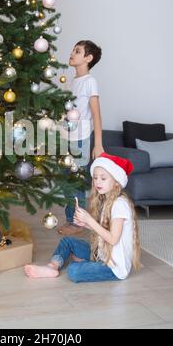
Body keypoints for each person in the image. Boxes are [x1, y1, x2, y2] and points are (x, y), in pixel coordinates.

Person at [24, 153, 141, 283]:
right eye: (95, 178)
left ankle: (86, 262)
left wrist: (89, 220)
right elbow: (102, 230)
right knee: (67, 241)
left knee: (73, 271)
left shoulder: (120, 204)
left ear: (116, 183)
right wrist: (85, 224)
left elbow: (113, 239)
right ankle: (52, 267)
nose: (97, 182)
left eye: (103, 178)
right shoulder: (105, 199)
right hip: (101, 254)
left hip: (114, 266)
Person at [59, 40, 104, 236]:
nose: (72, 53)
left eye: (77, 51)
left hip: (80, 138)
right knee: (65, 179)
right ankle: (72, 218)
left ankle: (77, 222)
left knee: (75, 181)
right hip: (65, 136)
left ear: (88, 58)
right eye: (72, 50)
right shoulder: (71, 81)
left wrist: (98, 143)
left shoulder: (89, 81)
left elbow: (96, 114)